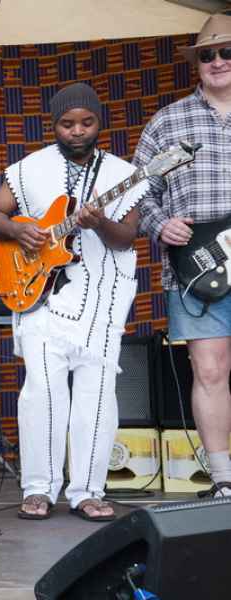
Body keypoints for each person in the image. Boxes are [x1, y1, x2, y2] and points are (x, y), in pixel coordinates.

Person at [0, 83, 148, 521]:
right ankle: (38, 489)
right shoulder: (29, 169)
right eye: (67, 123)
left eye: (86, 122)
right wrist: (18, 230)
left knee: (97, 396)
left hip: (102, 302)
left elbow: (127, 237)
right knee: (42, 393)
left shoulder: (124, 175)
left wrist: (99, 224)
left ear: (99, 123)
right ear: (53, 125)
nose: (77, 131)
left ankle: (88, 491)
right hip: (41, 297)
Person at [134, 12, 231, 499]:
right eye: (207, 54)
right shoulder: (167, 122)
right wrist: (160, 225)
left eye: (226, 52)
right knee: (209, 371)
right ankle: (224, 479)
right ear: (196, 63)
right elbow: (138, 193)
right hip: (197, 268)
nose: (217, 61)